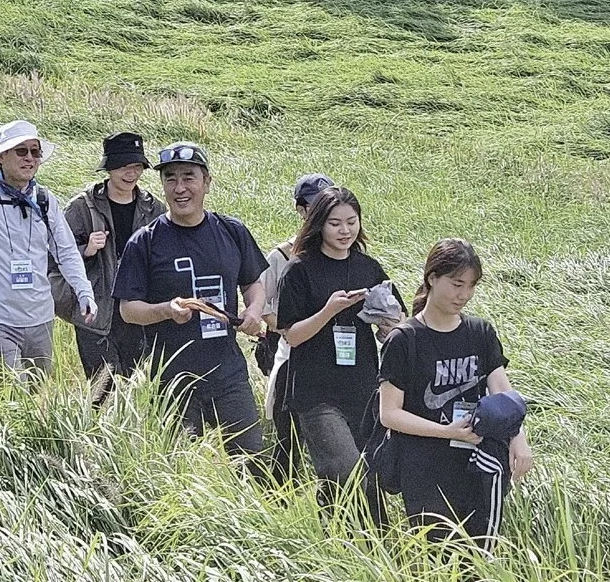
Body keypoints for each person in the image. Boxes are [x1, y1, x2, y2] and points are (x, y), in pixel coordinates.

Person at [114, 141, 268, 457]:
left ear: (206, 182)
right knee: (179, 466)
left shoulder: (232, 231)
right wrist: (165, 310)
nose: (180, 188)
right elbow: (128, 310)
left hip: (228, 373)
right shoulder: (145, 242)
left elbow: (253, 283)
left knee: (251, 458)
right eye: (170, 178)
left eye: (188, 177)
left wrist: (254, 310)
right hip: (172, 381)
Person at [377, 238, 533, 545]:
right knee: (438, 550)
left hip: (475, 459)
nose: (464, 295)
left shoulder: (480, 333)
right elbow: (389, 413)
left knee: (478, 549)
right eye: (457, 284)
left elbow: (503, 393)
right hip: (423, 464)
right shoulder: (404, 340)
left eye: (471, 286)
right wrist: (445, 431)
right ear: (432, 278)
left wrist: (518, 438)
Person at [277, 186, 401, 524]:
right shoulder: (299, 269)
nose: (345, 231)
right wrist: (328, 311)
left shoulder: (369, 268)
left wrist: (388, 326)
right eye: (335, 223)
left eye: (351, 222)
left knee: (366, 473)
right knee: (348, 470)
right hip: (315, 392)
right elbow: (292, 335)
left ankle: (345, 537)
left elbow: (395, 321)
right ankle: (370, 536)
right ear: (318, 224)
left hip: (362, 388)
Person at [0, 120, 97, 377]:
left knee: (37, 395)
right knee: (14, 390)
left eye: (35, 152)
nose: (30, 158)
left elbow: (66, 252)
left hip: (40, 319)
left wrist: (84, 293)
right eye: (21, 151)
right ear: (1, 157)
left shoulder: (45, 201)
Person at [55, 132, 165, 389]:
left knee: (138, 387)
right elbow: (56, 258)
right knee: (103, 392)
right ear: (109, 168)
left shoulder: (154, 209)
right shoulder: (82, 207)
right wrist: (86, 250)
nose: (131, 173)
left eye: (137, 166)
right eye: (124, 166)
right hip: (95, 314)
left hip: (138, 309)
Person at [258, 172, 334, 484]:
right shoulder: (280, 256)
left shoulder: (348, 253)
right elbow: (263, 306)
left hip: (335, 357)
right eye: (315, 206)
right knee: (287, 434)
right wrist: (293, 328)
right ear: (300, 209)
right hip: (291, 353)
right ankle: (281, 493)